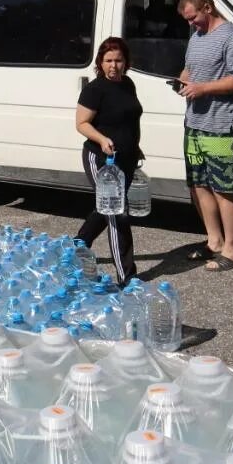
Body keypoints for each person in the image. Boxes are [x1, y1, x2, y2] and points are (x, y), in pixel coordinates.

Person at [177, 0, 233, 272]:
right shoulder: (196, 37)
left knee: (224, 188)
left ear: (207, 8)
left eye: (193, 18)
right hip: (194, 124)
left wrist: (204, 88)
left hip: (221, 126)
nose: (191, 24)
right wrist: (182, 81)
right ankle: (214, 242)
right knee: (198, 185)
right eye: (187, 20)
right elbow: (190, 69)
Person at [75, 36, 142, 286]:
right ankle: (127, 277)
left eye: (118, 60)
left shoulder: (128, 84)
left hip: (127, 158)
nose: (114, 65)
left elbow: (129, 120)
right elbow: (81, 124)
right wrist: (102, 139)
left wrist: (136, 146)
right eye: (108, 61)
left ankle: (78, 244)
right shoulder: (95, 90)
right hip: (101, 159)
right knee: (116, 213)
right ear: (100, 63)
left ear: (126, 62)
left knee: (106, 208)